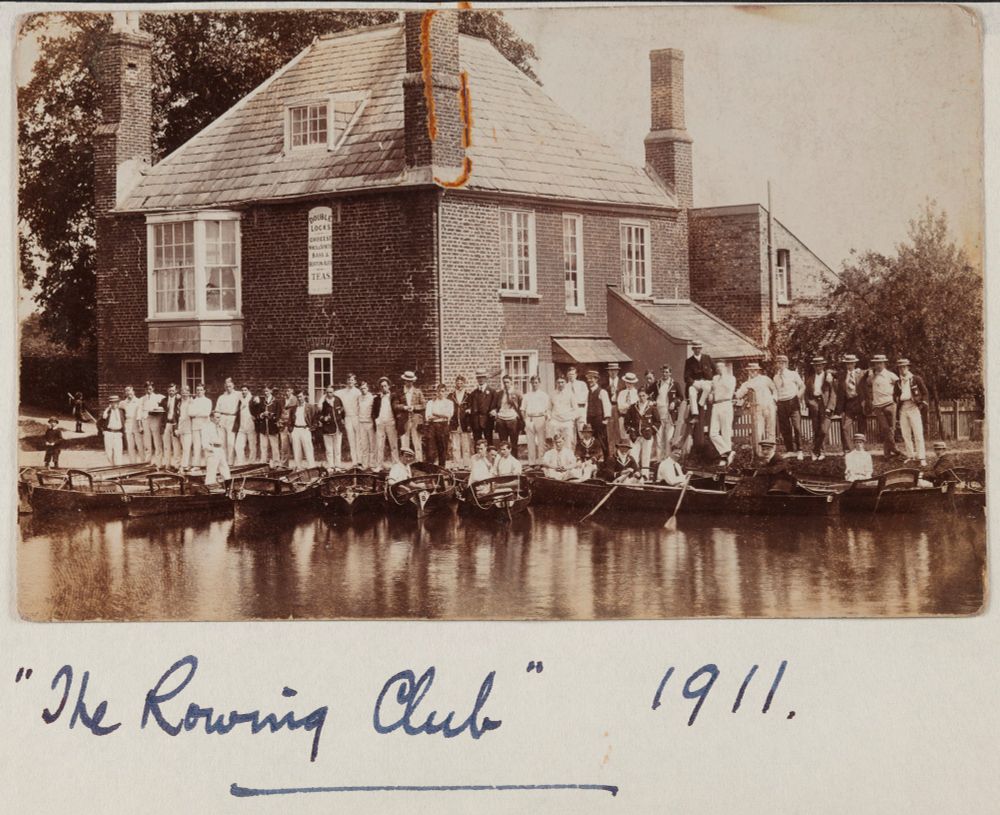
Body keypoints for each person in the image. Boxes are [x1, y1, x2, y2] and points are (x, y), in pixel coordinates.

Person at [862, 354, 900, 460]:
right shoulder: (872, 376)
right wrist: (870, 373)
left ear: (884, 363)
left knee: (891, 429)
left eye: (880, 363)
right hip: (878, 406)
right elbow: (866, 383)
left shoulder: (890, 375)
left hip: (890, 404)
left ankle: (887, 454)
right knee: (885, 429)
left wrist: (896, 399)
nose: (878, 365)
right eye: (876, 363)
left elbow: (899, 386)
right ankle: (894, 449)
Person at [895, 358, 928, 466]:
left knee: (918, 433)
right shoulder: (898, 382)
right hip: (903, 409)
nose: (902, 369)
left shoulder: (916, 379)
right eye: (900, 367)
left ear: (908, 367)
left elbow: (925, 393)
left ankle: (921, 457)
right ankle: (910, 456)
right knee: (906, 434)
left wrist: (921, 404)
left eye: (904, 367)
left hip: (914, 407)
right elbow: (895, 395)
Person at [735, 361, 777, 445]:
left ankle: (772, 448)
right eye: (750, 371)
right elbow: (738, 395)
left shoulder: (765, 379)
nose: (752, 372)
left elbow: (774, 389)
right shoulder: (747, 383)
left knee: (771, 427)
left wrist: (774, 399)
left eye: (754, 370)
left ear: (758, 371)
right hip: (757, 407)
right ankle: (758, 448)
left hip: (769, 405)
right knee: (758, 428)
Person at [772, 355, 805, 460]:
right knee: (785, 428)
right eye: (778, 363)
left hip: (793, 402)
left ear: (786, 364)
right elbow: (775, 391)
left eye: (782, 363)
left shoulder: (793, 374)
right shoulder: (775, 377)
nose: (780, 365)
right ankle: (790, 450)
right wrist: (775, 401)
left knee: (797, 427)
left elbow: (802, 386)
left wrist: (798, 397)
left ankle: (800, 450)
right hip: (781, 403)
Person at [804, 356, 836, 461]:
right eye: (816, 365)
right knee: (816, 430)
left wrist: (830, 407)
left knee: (823, 430)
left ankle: (814, 450)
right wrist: (810, 404)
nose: (818, 367)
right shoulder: (810, 379)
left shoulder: (829, 377)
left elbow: (833, 393)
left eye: (820, 365)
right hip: (814, 405)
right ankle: (821, 452)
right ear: (814, 367)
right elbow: (807, 395)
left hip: (825, 406)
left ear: (823, 366)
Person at [708, 359, 737, 466]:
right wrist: (711, 394)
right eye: (717, 367)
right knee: (713, 433)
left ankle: (725, 459)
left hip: (726, 404)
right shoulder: (715, 378)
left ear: (725, 367)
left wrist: (723, 376)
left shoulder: (731, 378)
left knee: (726, 432)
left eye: (721, 367)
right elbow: (712, 390)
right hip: (716, 405)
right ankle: (728, 452)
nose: (718, 369)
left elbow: (728, 388)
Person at [624, 387, 660, 475]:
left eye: (643, 395)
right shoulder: (633, 407)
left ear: (647, 396)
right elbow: (626, 421)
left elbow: (658, 422)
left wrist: (651, 430)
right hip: (635, 436)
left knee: (646, 455)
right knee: (633, 455)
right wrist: (630, 430)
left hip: (647, 436)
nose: (641, 398)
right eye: (639, 396)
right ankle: (634, 474)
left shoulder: (652, 408)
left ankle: (645, 474)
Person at [835, 354, 866, 455]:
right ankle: (848, 450)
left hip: (859, 402)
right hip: (848, 404)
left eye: (851, 363)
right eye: (848, 363)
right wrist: (829, 374)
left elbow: (872, 371)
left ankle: (860, 449)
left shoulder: (861, 373)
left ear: (855, 363)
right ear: (845, 364)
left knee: (861, 427)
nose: (850, 365)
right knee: (845, 427)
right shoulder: (842, 375)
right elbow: (830, 372)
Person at [394, 371, 425, 460]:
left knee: (417, 442)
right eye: (407, 381)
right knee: (404, 443)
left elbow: (423, 405)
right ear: (404, 381)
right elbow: (395, 405)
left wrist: (413, 407)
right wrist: (404, 407)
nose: (409, 383)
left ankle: (419, 462)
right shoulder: (399, 392)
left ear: (413, 381)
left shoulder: (418, 392)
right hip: (404, 421)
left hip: (415, 420)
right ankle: (405, 463)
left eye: (411, 381)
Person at [653, 364, 681, 461]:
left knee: (668, 439)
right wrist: (652, 402)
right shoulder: (657, 383)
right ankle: (659, 460)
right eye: (663, 372)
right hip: (658, 415)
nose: (665, 374)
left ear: (670, 373)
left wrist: (674, 402)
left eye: (667, 372)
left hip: (670, 415)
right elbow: (649, 393)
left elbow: (681, 397)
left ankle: (668, 461)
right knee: (659, 439)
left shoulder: (675, 384)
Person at [584, 370, 613, 462]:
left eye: (592, 378)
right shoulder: (588, 392)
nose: (590, 380)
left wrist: (606, 419)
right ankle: (594, 460)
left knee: (601, 440)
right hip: (590, 420)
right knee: (592, 440)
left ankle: (605, 461)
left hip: (599, 420)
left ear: (596, 379)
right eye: (588, 378)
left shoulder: (602, 391)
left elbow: (607, 405)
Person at [521, 375, 550, 465]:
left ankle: (541, 462)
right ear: (530, 383)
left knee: (541, 441)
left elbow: (548, 409)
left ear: (539, 383)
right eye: (533, 383)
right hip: (529, 418)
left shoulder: (544, 395)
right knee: (530, 441)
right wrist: (525, 420)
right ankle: (532, 463)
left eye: (536, 382)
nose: (534, 384)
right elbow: (522, 409)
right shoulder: (527, 395)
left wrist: (546, 419)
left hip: (540, 418)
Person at [335, 374, 362, 468]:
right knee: (351, 440)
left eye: (352, 380)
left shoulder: (358, 392)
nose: (350, 382)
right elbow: (331, 394)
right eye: (349, 380)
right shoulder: (343, 392)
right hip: (347, 418)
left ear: (355, 381)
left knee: (358, 439)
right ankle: (354, 462)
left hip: (356, 417)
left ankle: (360, 461)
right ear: (346, 381)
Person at [684, 340, 715, 421]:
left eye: (699, 348)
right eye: (695, 348)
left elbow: (715, 370)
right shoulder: (689, 361)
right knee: (691, 391)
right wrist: (693, 383)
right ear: (693, 349)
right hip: (696, 382)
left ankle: (700, 404)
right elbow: (686, 377)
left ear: (701, 349)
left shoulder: (707, 358)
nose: (697, 350)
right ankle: (695, 414)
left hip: (706, 382)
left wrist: (712, 383)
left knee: (707, 388)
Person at [425, 383, 455, 468]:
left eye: (443, 391)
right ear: (436, 392)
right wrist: (442, 415)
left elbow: (449, 415)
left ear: (445, 392)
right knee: (431, 449)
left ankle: (442, 468)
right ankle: (430, 469)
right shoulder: (431, 402)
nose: (441, 393)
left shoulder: (449, 403)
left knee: (442, 448)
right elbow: (428, 417)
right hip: (432, 426)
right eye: (439, 391)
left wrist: (435, 414)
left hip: (443, 426)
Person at [288, 390, 319, 470]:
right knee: (296, 449)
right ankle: (298, 467)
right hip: (296, 429)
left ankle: (312, 467)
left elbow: (315, 419)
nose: (299, 398)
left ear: (305, 396)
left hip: (305, 429)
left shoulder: (310, 407)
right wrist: (291, 430)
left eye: (301, 396)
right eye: (298, 397)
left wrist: (311, 428)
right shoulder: (294, 408)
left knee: (308, 449)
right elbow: (290, 420)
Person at [373, 377, 399, 471]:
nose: (383, 387)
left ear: (389, 386)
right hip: (380, 423)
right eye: (382, 386)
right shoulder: (377, 398)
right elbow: (374, 411)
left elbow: (396, 409)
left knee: (393, 444)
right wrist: (376, 420)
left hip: (391, 422)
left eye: (385, 386)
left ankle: (395, 465)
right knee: (379, 445)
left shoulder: (393, 397)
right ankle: (379, 465)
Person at [318, 385, 346, 471]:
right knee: (329, 448)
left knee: (337, 448)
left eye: (331, 392)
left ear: (333, 392)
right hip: (327, 428)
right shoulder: (323, 403)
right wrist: (324, 419)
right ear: (325, 393)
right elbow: (319, 415)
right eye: (327, 392)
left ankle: (337, 465)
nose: (329, 394)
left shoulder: (338, 400)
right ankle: (330, 465)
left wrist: (342, 420)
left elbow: (342, 411)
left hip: (337, 428)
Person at [200, 410, 231, 486]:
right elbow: (204, 442)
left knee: (225, 469)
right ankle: (210, 488)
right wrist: (211, 450)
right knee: (211, 471)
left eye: (219, 417)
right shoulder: (206, 427)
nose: (219, 419)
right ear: (211, 418)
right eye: (217, 417)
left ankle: (229, 486)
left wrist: (221, 449)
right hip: (212, 450)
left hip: (220, 450)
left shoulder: (220, 427)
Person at [214, 378, 240, 464]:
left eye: (230, 386)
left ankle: (230, 461)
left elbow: (248, 396)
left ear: (233, 386)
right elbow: (217, 409)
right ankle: (223, 461)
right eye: (226, 386)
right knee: (222, 441)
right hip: (222, 418)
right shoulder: (221, 397)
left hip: (232, 418)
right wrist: (217, 419)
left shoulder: (238, 395)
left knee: (230, 442)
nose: (228, 388)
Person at [448, 375, 473, 468]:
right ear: (455, 384)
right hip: (454, 423)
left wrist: (469, 410)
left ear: (464, 384)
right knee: (455, 446)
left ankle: (466, 464)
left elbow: (472, 408)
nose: (459, 385)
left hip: (465, 423)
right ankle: (456, 464)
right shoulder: (451, 396)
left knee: (466, 446)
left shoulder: (469, 396)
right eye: (457, 383)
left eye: (461, 383)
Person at [234, 384, 261, 465]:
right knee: (238, 446)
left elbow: (259, 408)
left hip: (251, 425)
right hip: (242, 427)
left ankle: (251, 462)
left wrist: (256, 417)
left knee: (252, 445)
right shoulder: (240, 400)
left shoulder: (253, 399)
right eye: (242, 390)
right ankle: (240, 462)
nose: (243, 392)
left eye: (245, 390)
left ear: (248, 390)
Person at [187, 383, 213, 471]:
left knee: (205, 445)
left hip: (205, 425)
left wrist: (196, 413)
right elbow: (190, 413)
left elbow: (207, 413)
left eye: (201, 390)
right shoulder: (192, 401)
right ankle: (196, 465)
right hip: (195, 425)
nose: (199, 391)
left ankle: (208, 464)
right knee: (196, 445)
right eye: (197, 390)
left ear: (204, 391)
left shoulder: (208, 401)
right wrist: (199, 413)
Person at [492, 375, 523, 447]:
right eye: (504, 382)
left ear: (511, 382)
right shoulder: (499, 393)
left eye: (507, 382)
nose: (506, 384)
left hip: (512, 420)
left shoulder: (517, 393)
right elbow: (496, 406)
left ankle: (514, 457)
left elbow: (521, 407)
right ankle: (504, 457)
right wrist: (495, 412)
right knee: (503, 443)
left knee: (514, 442)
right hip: (501, 419)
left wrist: (521, 420)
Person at [549, 374, 578, 449]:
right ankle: (556, 459)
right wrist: (550, 418)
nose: (560, 384)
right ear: (556, 383)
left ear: (565, 382)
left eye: (562, 382)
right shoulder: (552, 394)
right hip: (556, 421)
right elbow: (549, 408)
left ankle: (567, 459)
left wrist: (572, 419)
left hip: (567, 421)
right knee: (556, 442)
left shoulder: (570, 394)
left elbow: (575, 408)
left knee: (568, 442)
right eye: (558, 382)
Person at [141, 381, 166, 467]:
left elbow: (166, 403)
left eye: (150, 388)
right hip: (146, 420)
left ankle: (159, 462)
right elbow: (140, 411)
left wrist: (158, 408)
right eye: (147, 389)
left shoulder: (159, 397)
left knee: (157, 441)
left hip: (155, 419)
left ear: (153, 389)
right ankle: (148, 461)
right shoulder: (142, 399)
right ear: (145, 389)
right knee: (147, 442)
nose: (149, 390)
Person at [468, 369, 495, 446]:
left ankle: (489, 457)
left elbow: (494, 406)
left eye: (483, 377)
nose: (481, 379)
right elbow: (471, 406)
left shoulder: (492, 392)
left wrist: (494, 411)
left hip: (487, 420)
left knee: (489, 441)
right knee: (477, 442)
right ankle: (478, 457)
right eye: (479, 378)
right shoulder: (473, 393)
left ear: (486, 378)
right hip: (476, 421)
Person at [256, 385, 282, 465]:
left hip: (272, 427)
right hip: (263, 427)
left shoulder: (276, 402)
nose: (266, 393)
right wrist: (262, 414)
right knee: (263, 446)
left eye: (267, 391)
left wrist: (271, 415)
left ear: (271, 391)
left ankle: (276, 462)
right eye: (265, 391)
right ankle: (263, 462)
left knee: (274, 446)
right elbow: (258, 414)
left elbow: (278, 414)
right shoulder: (262, 402)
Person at [99, 394, 126, 465]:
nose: (114, 404)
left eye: (115, 402)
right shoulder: (107, 412)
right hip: (109, 433)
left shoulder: (121, 411)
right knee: (109, 453)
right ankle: (111, 468)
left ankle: (118, 469)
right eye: (112, 402)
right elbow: (99, 423)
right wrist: (103, 431)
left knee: (118, 452)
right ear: (110, 403)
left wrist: (123, 433)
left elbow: (124, 422)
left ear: (118, 402)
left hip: (118, 433)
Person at [616, 372, 641, 452]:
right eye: (627, 382)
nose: (628, 385)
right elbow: (620, 407)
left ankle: (633, 455)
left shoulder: (637, 393)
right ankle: (625, 454)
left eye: (630, 383)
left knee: (633, 436)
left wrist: (628, 406)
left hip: (633, 419)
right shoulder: (622, 393)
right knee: (624, 436)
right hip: (623, 417)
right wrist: (629, 406)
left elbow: (637, 406)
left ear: (633, 383)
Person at [161, 383, 182, 470]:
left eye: (173, 390)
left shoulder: (179, 400)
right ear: (167, 391)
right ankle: (167, 465)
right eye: (170, 390)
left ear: (176, 391)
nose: (171, 392)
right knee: (166, 445)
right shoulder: (164, 400)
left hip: (175, 424)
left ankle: (177, 465)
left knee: (176, 445)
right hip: (166, 424)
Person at [121, 385, 143, 464]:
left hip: (137, 424)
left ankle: (143, 462)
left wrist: (140, 426)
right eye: (126, 391)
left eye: (129, 390)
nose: (128, 392)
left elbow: (140, 414)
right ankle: (132, 463)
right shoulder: (123, 403)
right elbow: (116, 407)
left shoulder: (139, 401)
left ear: (133, 391)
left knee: (140, 444)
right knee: (130, 446)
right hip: (128, 424)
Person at [356, 381, 376, 470]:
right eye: (361, 388)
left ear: (367, 388)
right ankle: (365, 464)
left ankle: (372, 464)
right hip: (361, 423)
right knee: (364, 445)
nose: (363, 390)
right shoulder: (359, 398)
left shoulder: (372, 397)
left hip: (370, 423)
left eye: (364, 388)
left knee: (372, 444)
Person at [175, 386, 194, 473]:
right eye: (183, 392)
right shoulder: (179, 402)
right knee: (185, 447)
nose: (184, 394)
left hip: (189, 426)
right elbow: (178, 415)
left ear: (189, 392)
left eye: (186, 392)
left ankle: (183, 466)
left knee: (186, 447)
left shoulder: (192, 401)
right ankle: (187, 465)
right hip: (181, 426)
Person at [566, 366, 588, 435]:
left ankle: (583, 444)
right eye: (569, 374)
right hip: (570, 410)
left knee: (581, 429)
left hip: (580, 408)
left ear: (576, 375)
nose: (571, 376)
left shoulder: (582, 384)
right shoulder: (565, 386)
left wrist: (574, 400)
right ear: (567, 375)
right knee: (571, 431)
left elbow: (584, 397)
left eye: (572, 374)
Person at [606, 362, 623, 449]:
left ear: (618, 371)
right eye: (611, 370)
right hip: (608, 407)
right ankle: (611, 452)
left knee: (619, 430)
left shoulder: (623, 383)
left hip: (619, 407)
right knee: (609, 431)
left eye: (615, 370)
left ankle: (619, 450)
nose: (613, 372)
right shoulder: (604, 383)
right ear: (608, 371)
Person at [279, 386, 297, 466]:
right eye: (286, 391)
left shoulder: (296, 400)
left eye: (289, 390)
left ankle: (298, 465)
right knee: (284, 447)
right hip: (283, 426)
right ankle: (284, 465)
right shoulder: (282, 401)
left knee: (296, 446)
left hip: (293, 427)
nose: (287, 392)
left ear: (292, 391)